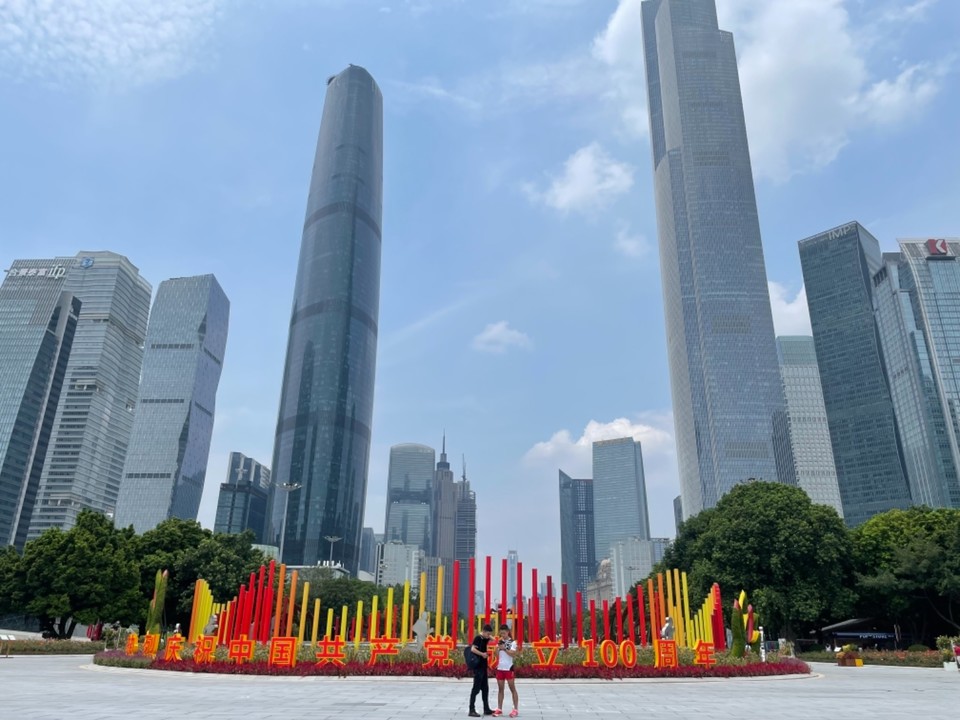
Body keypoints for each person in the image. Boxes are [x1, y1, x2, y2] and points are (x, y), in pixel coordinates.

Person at [492, 625, 519, 718]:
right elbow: (496, 655)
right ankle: (499, 709)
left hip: (509, 668)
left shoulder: (512, 642)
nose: (502, 635)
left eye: (504, 633)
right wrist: (497, 648)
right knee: (500, 689)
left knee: (512, 689)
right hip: (500, 668)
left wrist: (504, 648)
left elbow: (513, 654)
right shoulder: (500, 642)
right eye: (501, 633)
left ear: (508, 632)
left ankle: (515, 709)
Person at [468, 623, 494, 717]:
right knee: (476, 689)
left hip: (483, 667)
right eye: (487, 633)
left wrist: (488, 636)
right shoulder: (478, 638)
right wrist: (482, 654)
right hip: (478, 667)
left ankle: (486, 708)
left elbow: (493, 639)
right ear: (483, 631)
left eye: (489, 634)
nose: (489, 635)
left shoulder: (485, 638)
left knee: (485, 688)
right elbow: (473, 649)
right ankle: (471, 709)